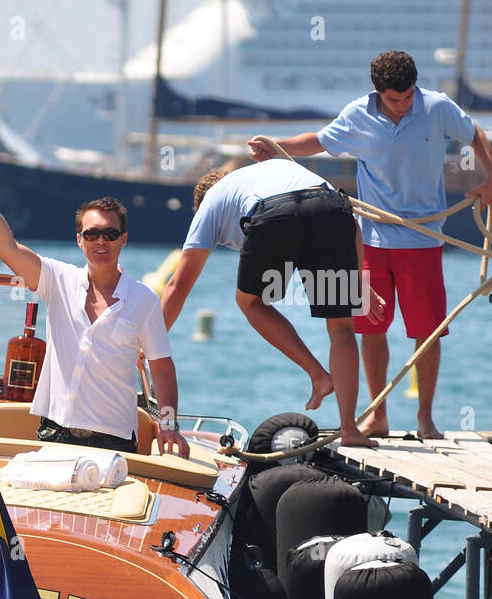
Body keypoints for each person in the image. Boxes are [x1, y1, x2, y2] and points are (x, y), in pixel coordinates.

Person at [250, 50, 492, 439]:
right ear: (378, 92)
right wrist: (275, 146)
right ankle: (377, 415)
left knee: (427, 331)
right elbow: (317, 140)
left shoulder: (437, 107)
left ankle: (425, 419)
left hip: (424, 240)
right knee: (371, 328)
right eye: (394, 99)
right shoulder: (357, 115)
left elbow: (475, 134)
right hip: (371, 240)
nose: (402, 106)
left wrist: (491, 179)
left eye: (408, 96)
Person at [0, 144, 188, 458]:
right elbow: (7, 248)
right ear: (79, 240)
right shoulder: (57, 279)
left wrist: (168, 424)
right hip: (54, 432)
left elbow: (161, 366)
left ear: (123, 239)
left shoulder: (143, 299)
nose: (101, 241)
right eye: (91, 234)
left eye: (110, 233)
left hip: (115, 441)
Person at [161, 160, 380, 448]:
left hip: (277, 214)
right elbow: (352, 226)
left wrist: (148, 343)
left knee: (250, 303)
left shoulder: (211, 202)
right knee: (341, 326)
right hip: (332, 209)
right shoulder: (265, 175)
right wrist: (359, 285)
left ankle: (317, 374)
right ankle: (350, 430)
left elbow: (178, 285)